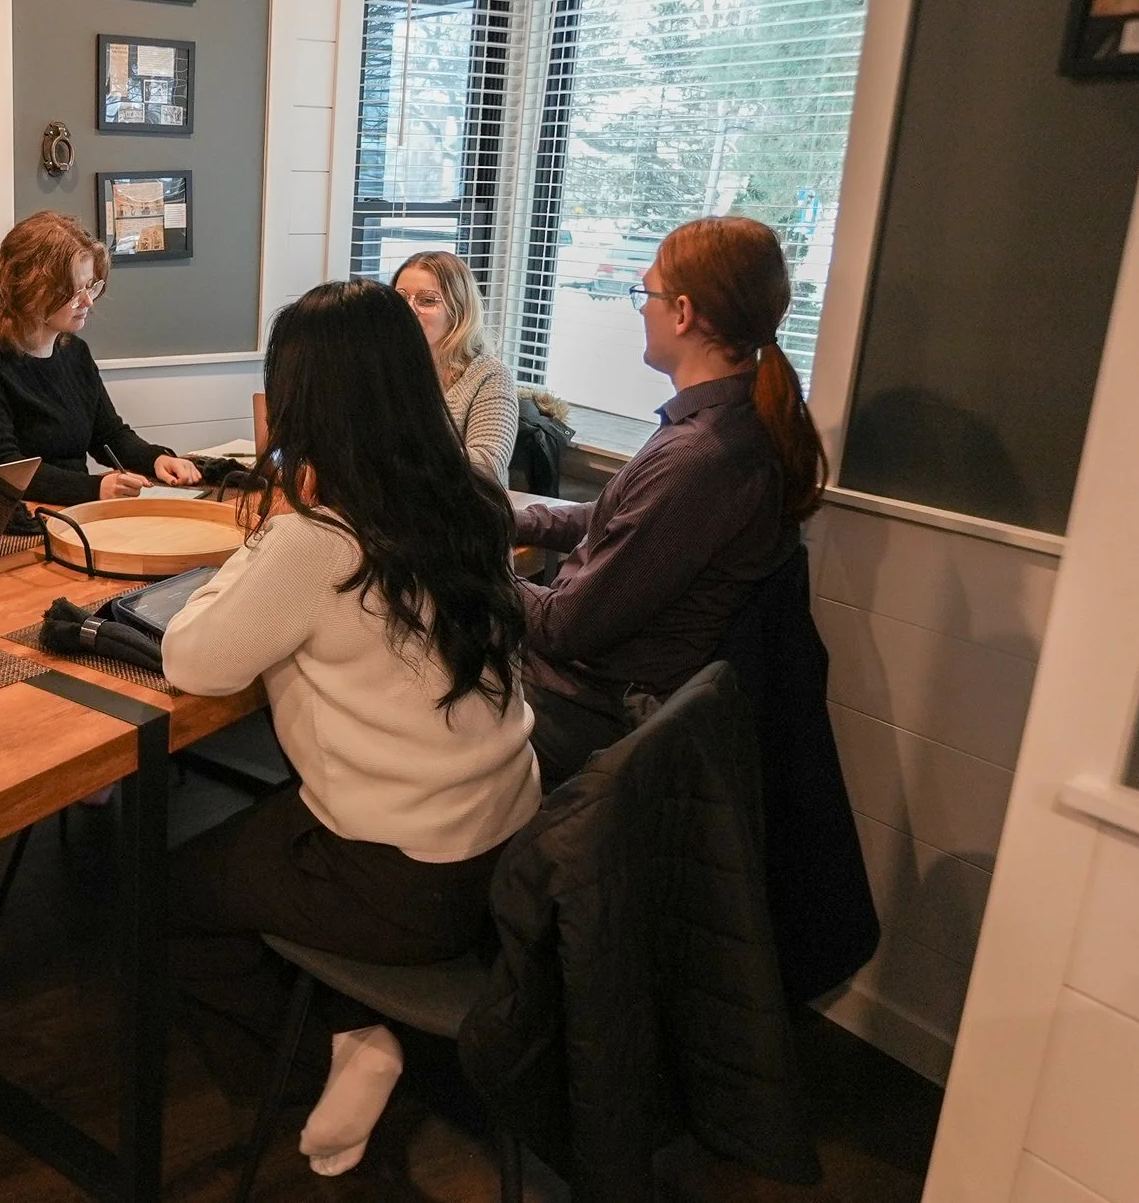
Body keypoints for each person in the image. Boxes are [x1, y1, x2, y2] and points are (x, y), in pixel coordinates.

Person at [164, 279, 539, 1178]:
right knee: (263, 827)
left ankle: (323, 1059)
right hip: (509, 840)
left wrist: (266, 535)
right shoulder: (474, 503)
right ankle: (350, 1024)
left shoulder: (318, 540)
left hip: (401, 881)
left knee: (162, 898)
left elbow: (191, 659)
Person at [514, 216, 824, 787]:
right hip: (586, 690)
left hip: (586, 714)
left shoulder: (700, 458)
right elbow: (612, 518)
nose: (641, 309)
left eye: (646, 294)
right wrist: (510, 518)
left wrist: (451, 555)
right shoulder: (728, 424)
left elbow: (562, 627)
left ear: (682, 313)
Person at [0, 210, 204, 503]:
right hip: (14, 515)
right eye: (74, 291)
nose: (87, 302)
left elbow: (108, 434)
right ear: (32, 290)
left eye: (90, 287)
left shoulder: (75, 352)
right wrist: (93, 490)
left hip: (71, 507)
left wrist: (155, 459)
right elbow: (4, 468)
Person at [392, 249, 517, 488]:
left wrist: (398, 452)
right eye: (400, 298)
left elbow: (488, 464)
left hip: (460, 514)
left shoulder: (489, 375)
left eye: (427, 300)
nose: (409, 309)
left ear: (459, 310)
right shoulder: (384, 366)